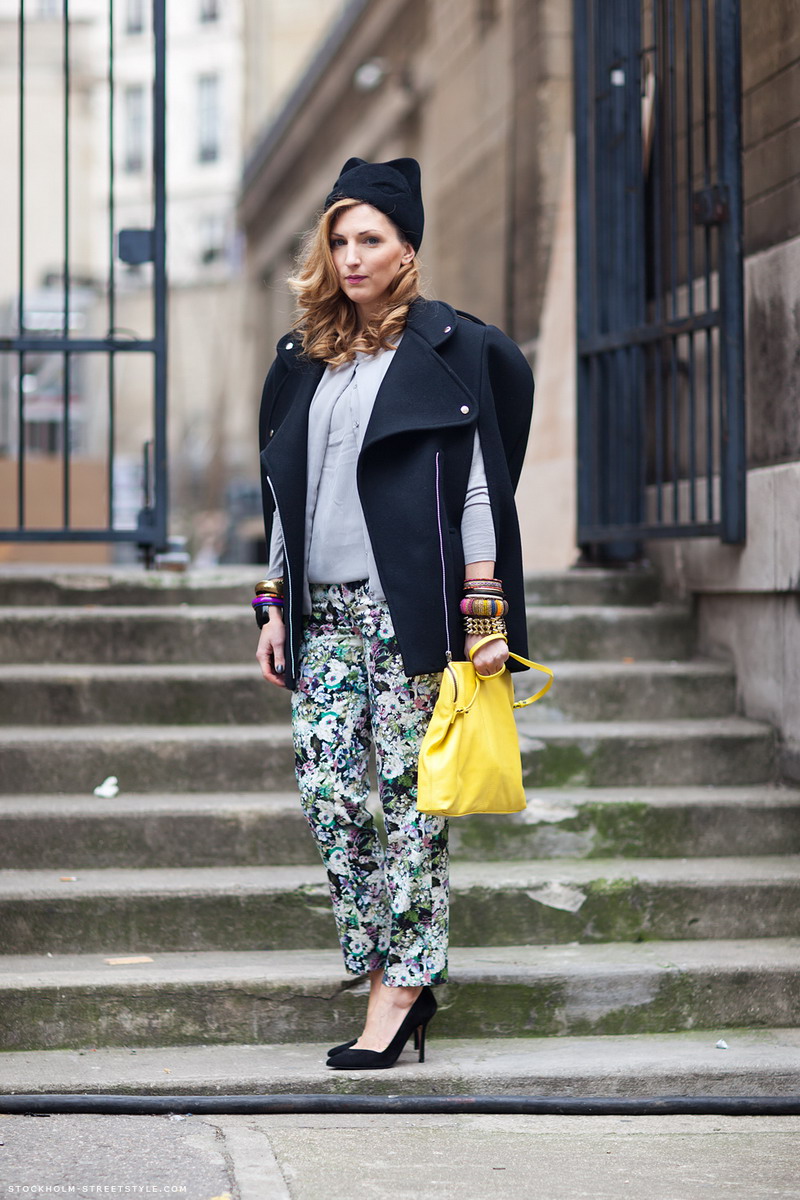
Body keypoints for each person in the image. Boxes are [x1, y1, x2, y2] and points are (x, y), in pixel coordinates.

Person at [255, 156, 534, 1070]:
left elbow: (480, 488)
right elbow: (282, 492)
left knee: (415, 805)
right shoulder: (304, 357)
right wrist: (270, 605)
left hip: (406, 612)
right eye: (339, 240)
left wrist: (485, 617)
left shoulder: (450, 348)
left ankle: (403, 987)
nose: (351, 256)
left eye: (370, 239)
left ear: (406, 247)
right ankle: (378, 958)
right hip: (322, 615)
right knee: (331, 794)